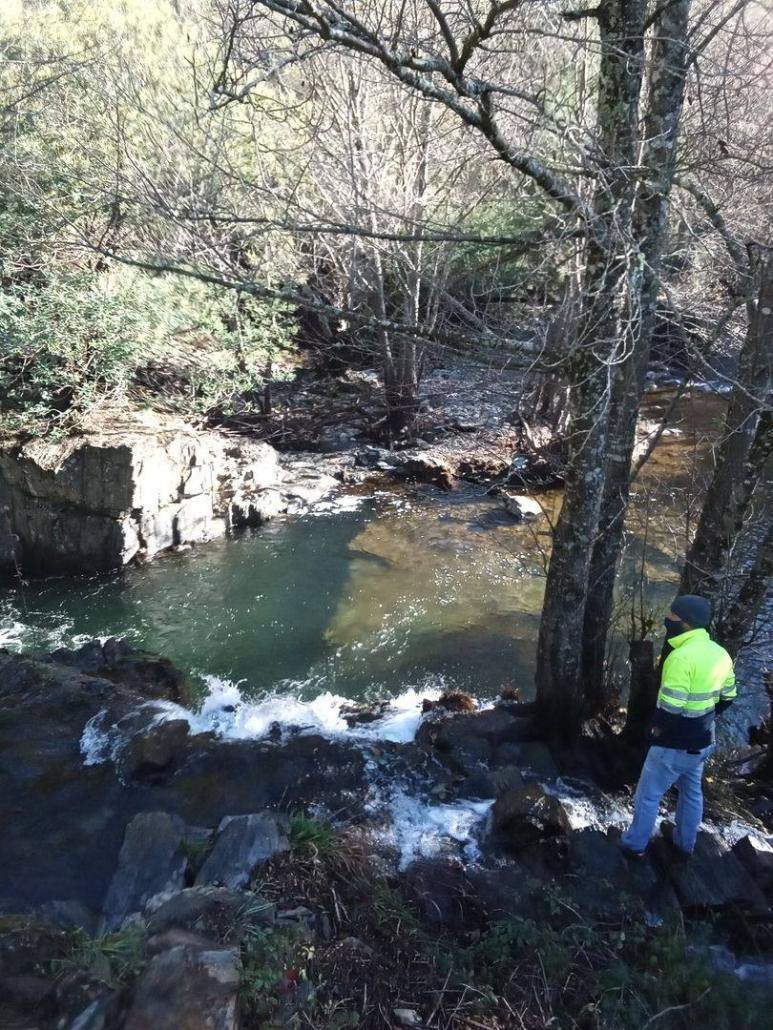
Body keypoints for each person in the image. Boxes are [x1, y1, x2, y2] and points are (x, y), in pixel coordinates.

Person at [620, 594, 736, 858]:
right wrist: (703, 719)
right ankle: (685, 844)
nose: (667, 620)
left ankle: (634, 846)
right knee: (692, 792)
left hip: (673, 744)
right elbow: (728, 696)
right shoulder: (721, 654)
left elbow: (671, 707)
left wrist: (656, 731)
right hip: (703, 740)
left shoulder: (681, 657)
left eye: (672, 617)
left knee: (648, 795)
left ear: (687, 623)